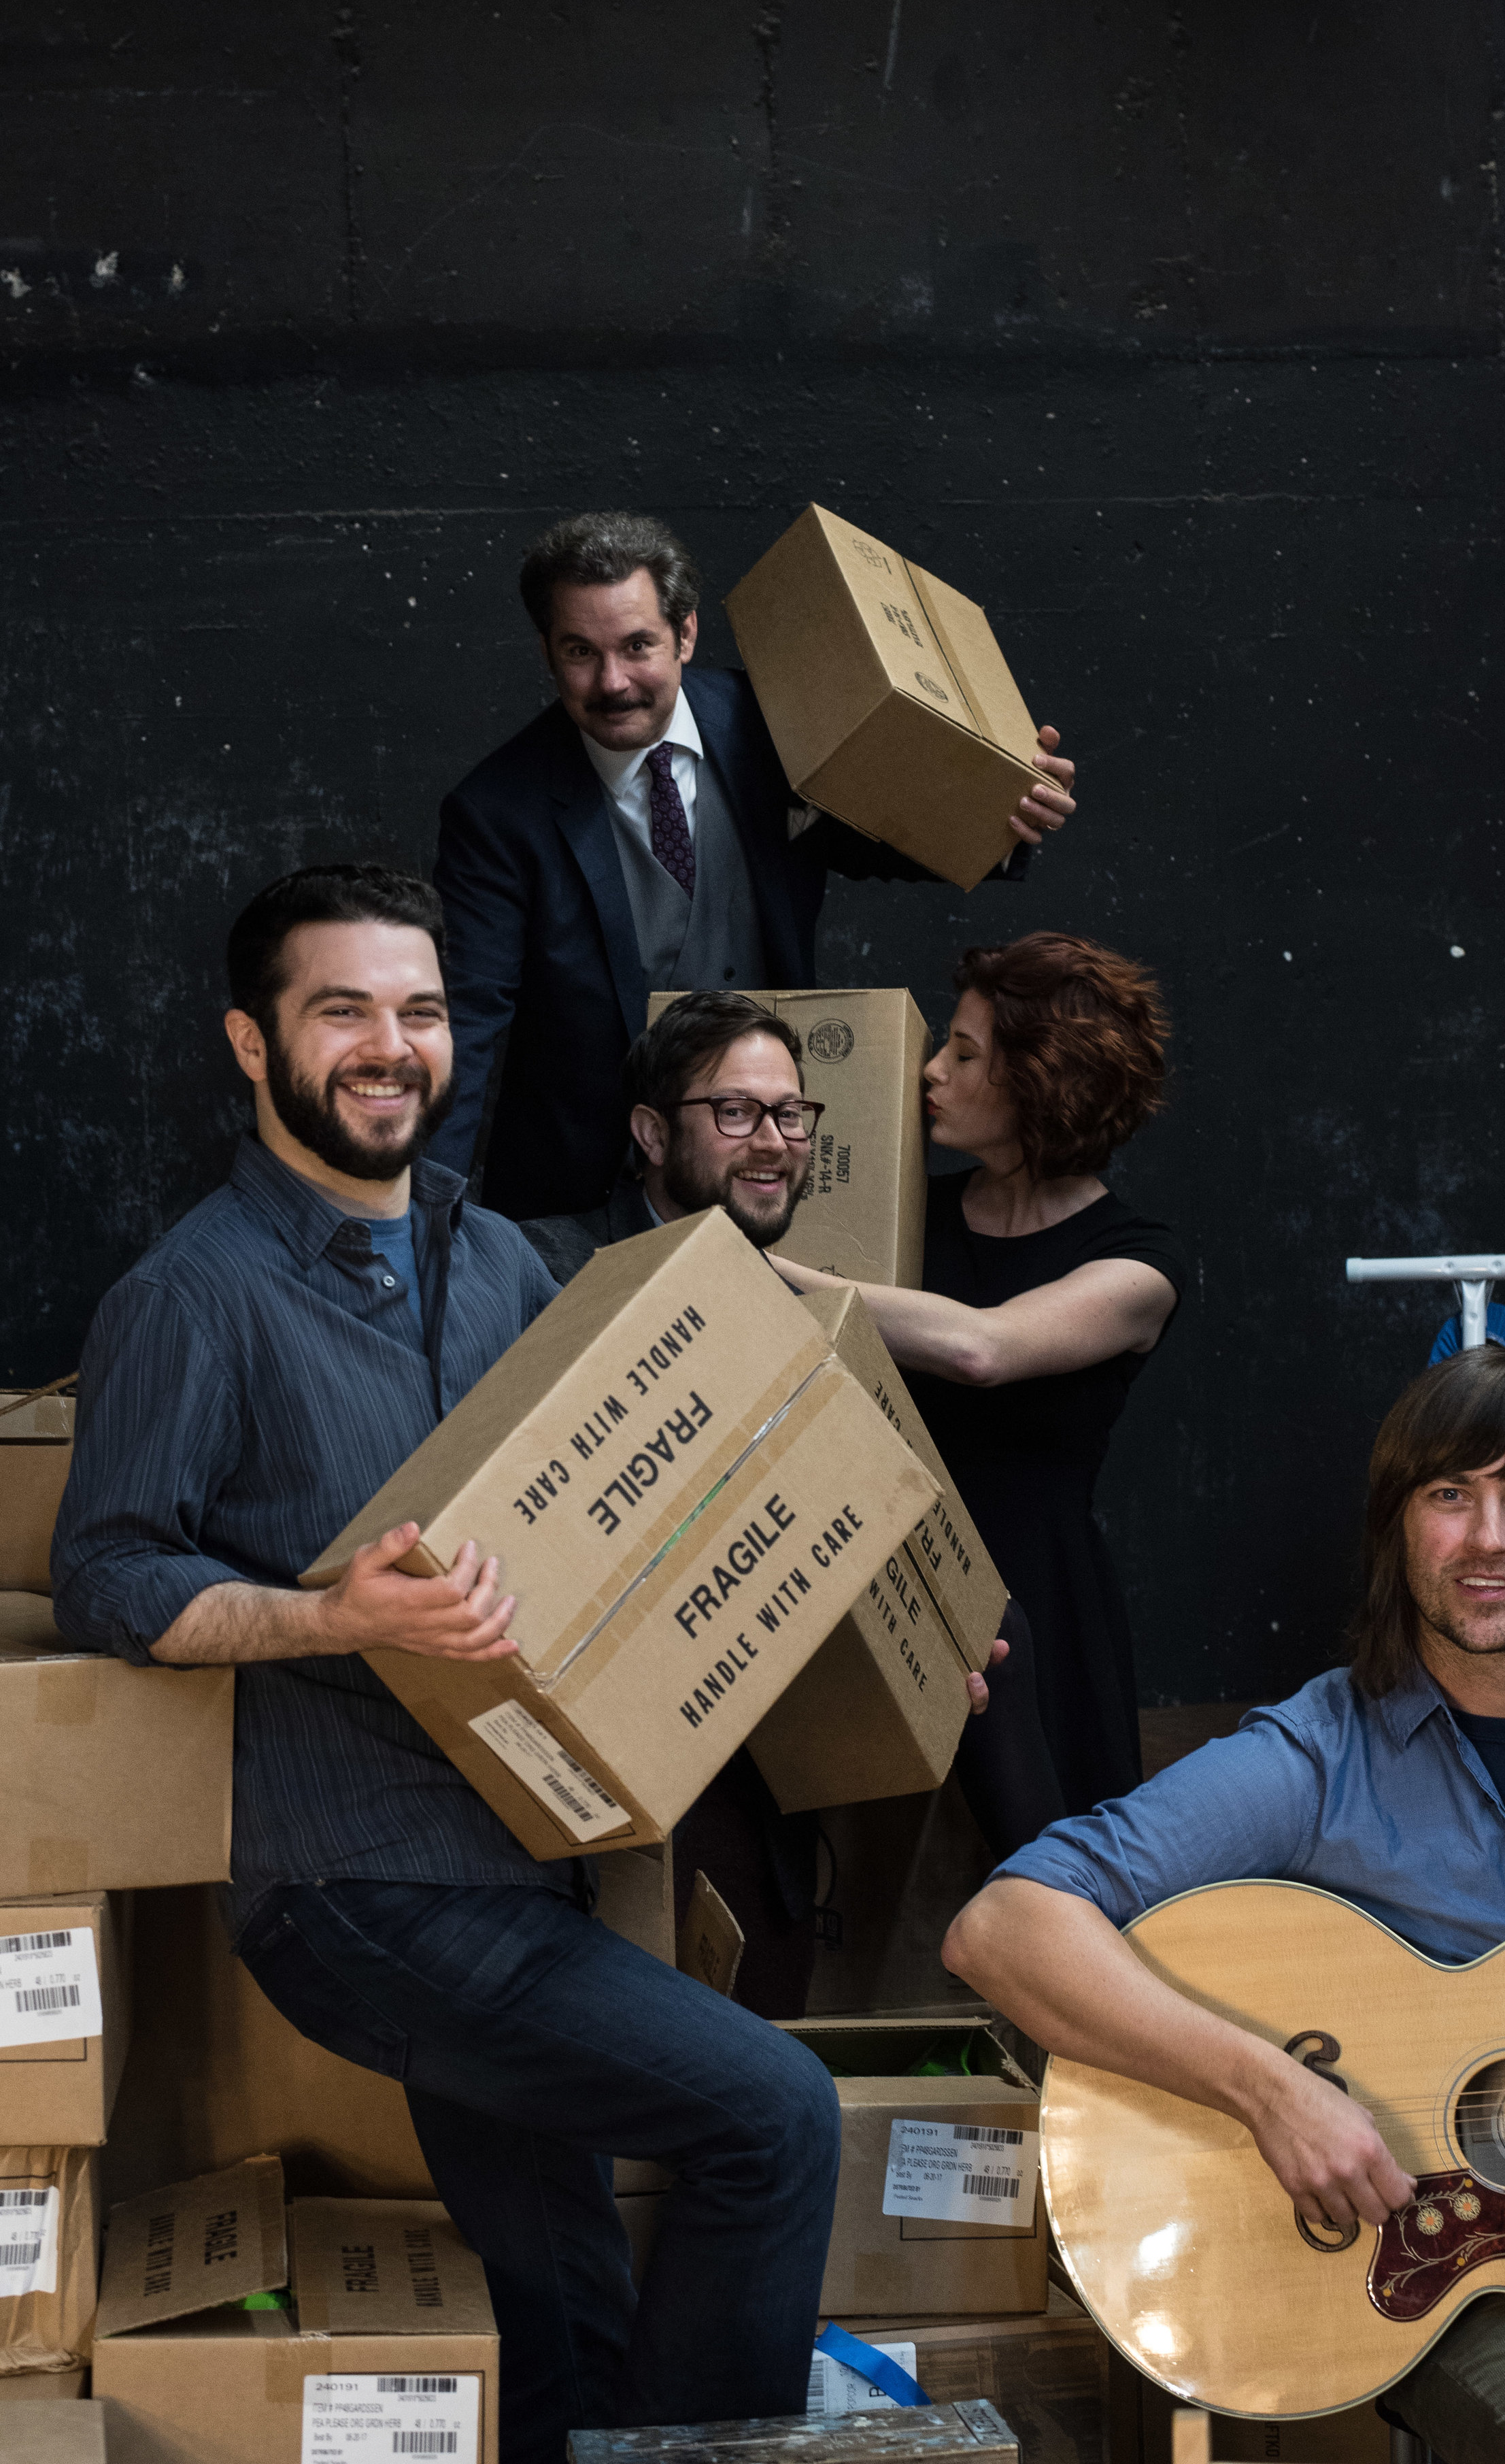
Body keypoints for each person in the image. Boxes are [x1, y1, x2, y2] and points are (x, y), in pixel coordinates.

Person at [50, 867, 840, 2461]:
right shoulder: (190, 1299)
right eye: (339, 1009)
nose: (387, 1045)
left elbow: (624, 1532)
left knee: (559, 2317)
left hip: (531, 1863)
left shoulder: (497, 1265)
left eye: (416, 1010)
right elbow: (107, 1574)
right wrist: (332, 1616)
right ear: (251, 1044)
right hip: (361, 1890)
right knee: (776, 2116)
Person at [943, 1346, 1505, 2464]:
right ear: (1400, 1528)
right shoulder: (1320, 1753)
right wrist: (1272, 2090)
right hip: (1470, 2281)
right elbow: (1003, 1929)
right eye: (1452, 1496)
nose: (1490, 1539)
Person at [520, 988, 1028, 1985]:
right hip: (593, 1783)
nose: (777, 1142)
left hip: (766, 1780)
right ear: (651, 1131)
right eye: (738, 1112)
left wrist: (921, 1652)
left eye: (793, 1113)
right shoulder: (545, 1273)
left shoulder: (802, 1313)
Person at [428, 509, 1079, 1220]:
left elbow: (885, 830)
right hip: (583, 1189)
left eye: (638, 645)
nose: (613, 681)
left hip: (766, 1168)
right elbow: (466, 1022)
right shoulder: (495, 812)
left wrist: (1000, 813)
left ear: (686, 634)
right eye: (580, 652)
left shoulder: (773, 724)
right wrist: (424, 1220)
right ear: (548, 652)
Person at [771, 932, 1184, 1822]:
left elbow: (981, 1350)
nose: (929, 1072)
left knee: (1053, 1887)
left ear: (1041, 1077)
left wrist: (771, 1273)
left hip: (1039, 1595)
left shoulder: (1142, 1265)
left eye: (962, 1052)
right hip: (883, 1585)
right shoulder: (905, 1215)